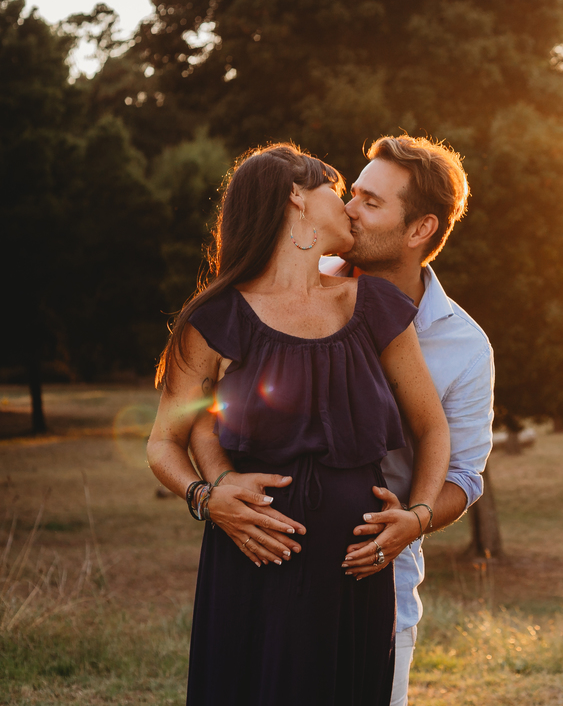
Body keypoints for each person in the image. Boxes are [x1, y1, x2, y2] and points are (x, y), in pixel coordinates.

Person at [193, 135, 494, 706]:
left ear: (420, 230)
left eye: (372, 203)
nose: (349, 207)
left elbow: (464, 473)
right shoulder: (289, 286)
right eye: (352, 193)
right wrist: (215, 484)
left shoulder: (464, 345)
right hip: (265, 569)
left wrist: (417, 519)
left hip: (373, 582)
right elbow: (208, 405)